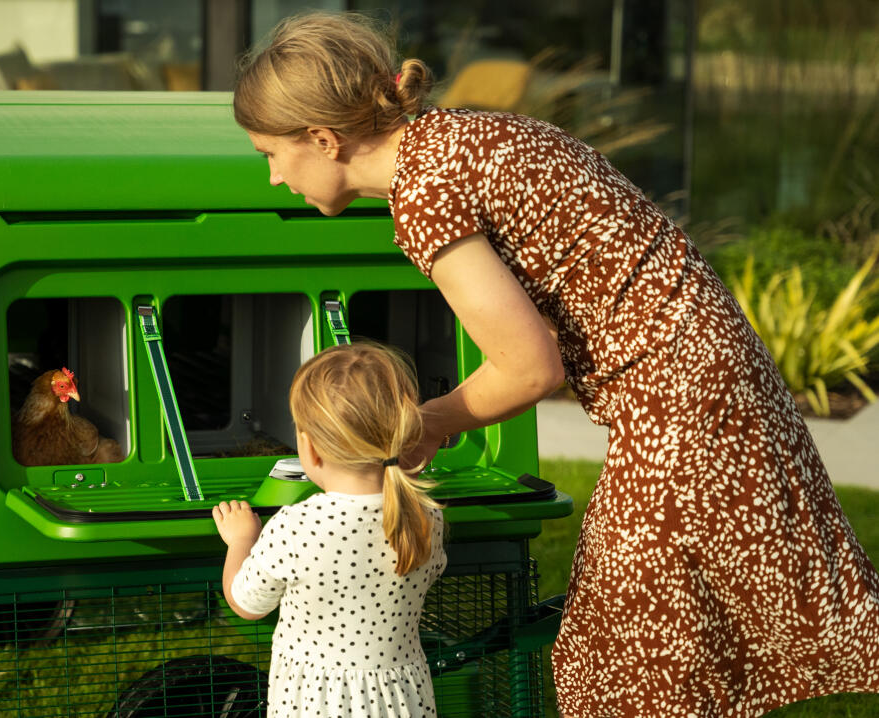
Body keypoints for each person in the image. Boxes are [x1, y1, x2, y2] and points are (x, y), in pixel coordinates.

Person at [231, 10, 879, 718]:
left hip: (678, 396)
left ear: (322, 139)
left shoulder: (425, 195)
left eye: (270, 153)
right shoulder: (461, 137)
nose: (271, 177)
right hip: (706, 373)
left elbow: (529, 368)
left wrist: (426, 424)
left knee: (632, 650)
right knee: (663, 635)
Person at [213, 341, 447, 717]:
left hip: (315, 704)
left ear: (309, 449)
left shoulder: (294, 526)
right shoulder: (425, 517)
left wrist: (242, 540)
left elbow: (246, 604)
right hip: (401, 699)